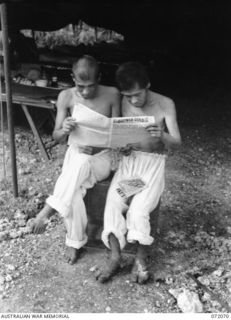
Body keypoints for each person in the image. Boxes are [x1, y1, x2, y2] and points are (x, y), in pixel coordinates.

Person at [95, 62, 182, 284]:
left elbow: (177, 143)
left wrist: (162, 135)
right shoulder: (124, 102)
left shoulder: (165, 104)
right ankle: (115, 257)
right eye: (128, 96)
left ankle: (140, 259)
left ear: (148, 85)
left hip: (152, 165)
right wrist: (123, 145)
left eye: (137, 95)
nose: (133, 100)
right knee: (114, 202)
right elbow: (124, 134)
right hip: (131, 163)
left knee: (139, 210)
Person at [32, 55, 120, 264]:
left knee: (80, 164)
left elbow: (119, 133)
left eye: (91, 86)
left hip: (102, 157)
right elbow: (57, 137)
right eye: (81, 86)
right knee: (73, 195)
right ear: (72, 78)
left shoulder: (112, 94)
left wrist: (104, 142)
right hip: (76, 155)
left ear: (99, 77)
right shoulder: (65, 96)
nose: (86, 92)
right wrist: (65, 129)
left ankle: (48, 210)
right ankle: (75, 241)